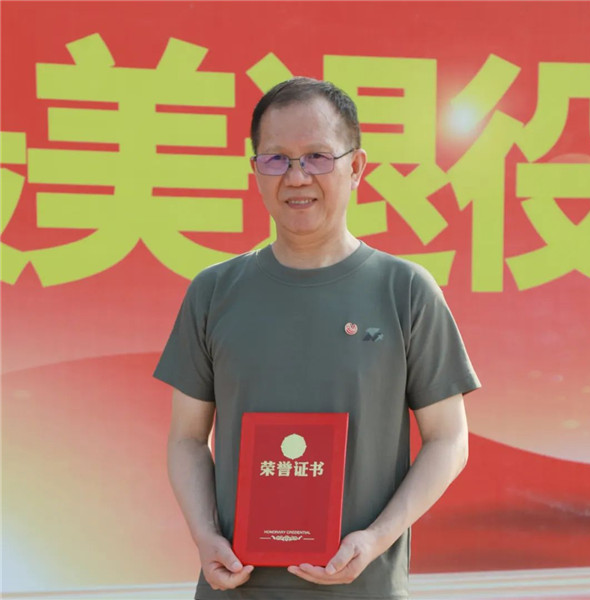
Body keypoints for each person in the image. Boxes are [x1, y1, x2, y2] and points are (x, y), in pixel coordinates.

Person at [154, 77, 480, 599]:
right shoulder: (214, 292)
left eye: (317, 157)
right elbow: (187, 439)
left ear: (356, 167)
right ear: (255, 170)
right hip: (237, 586)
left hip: (365, 587)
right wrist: (204, 535)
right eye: (276, 159)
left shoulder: (405, 290)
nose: (297, 176)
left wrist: (376, 538)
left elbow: (448, 439)